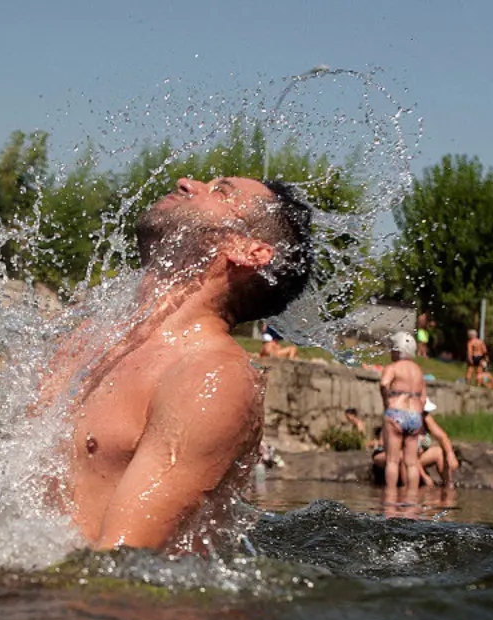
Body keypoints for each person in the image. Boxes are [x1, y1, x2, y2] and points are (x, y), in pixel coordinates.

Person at [42, 176, 315, 551]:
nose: (186, 182)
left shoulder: (212, 378)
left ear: (249, 251)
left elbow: (120, 568)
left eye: (222, 192)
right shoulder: (86, 339)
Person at [379, 331, 427, 497]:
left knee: (392, 460)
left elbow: (384, 384)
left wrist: (386, 402)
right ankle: (412, 503)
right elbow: (423, 397)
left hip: (395, 413)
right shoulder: (418, 371)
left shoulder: (393, 367)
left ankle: (390, 502)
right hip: (415, 416)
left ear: (397, 350)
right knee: (412, 463)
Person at [373, 400, 459, 488]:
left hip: (414, 458)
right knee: (402, 456)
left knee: (439, 452)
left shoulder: (426, 417)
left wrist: (450, 454)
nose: (425, 413)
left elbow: (442, 436)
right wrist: (425, 477)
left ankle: (448, 485)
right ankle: (407, 489)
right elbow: (406, 452)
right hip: (387, 454)